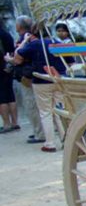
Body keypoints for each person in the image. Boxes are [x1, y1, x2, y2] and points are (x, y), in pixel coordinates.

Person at [12, 17, 66, 152]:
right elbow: (70, 61)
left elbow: (17, 58)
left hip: (41, 81)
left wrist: (24, 41)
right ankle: (66, 139)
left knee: (46, 112)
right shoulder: (57, 42)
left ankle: (50, 143)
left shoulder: (34, 45)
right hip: (59, 79)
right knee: (59, 110)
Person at [4, 16, 44, 144]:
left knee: (32, 105)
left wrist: (9, 60)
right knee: (34, 105)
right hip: (33, 75)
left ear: (20, 26)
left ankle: (40, 133)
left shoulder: (26, 38)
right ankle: (38, 131)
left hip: (28, 76)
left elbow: (18, 58)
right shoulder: (32, 37)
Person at [0, 24, 19, 133]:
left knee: (2, 97)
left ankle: (6, 124)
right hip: (8, 67)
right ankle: (15, 122)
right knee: (10, 95)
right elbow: (13, 51)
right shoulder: (7, 34)